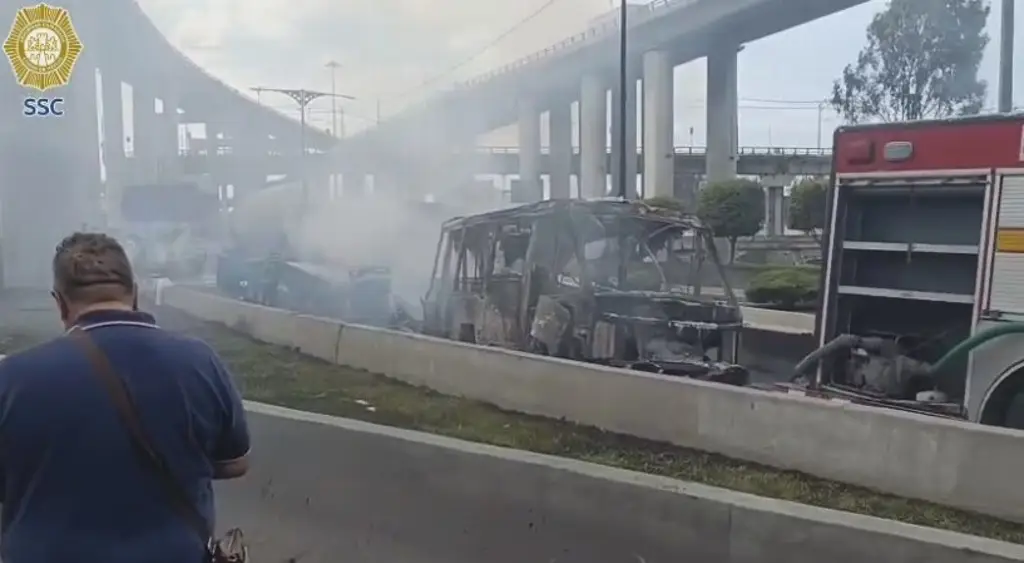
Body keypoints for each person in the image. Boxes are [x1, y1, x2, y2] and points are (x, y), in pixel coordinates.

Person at [0, 232, 251, 563]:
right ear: (135, 294)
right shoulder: (200, 361)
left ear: (59, 303)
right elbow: (235, 462)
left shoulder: (12, 377)